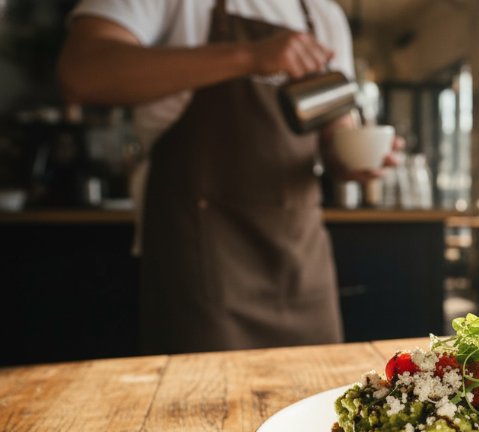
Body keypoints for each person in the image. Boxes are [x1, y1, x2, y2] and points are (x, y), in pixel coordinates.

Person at [57, 0, 392, 354]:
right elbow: (82, 71)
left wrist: (355, 159)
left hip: (302, 265)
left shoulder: (324, 15)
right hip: (200, 268)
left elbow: (335, 132)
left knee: (316, 401)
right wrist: (247, 57)